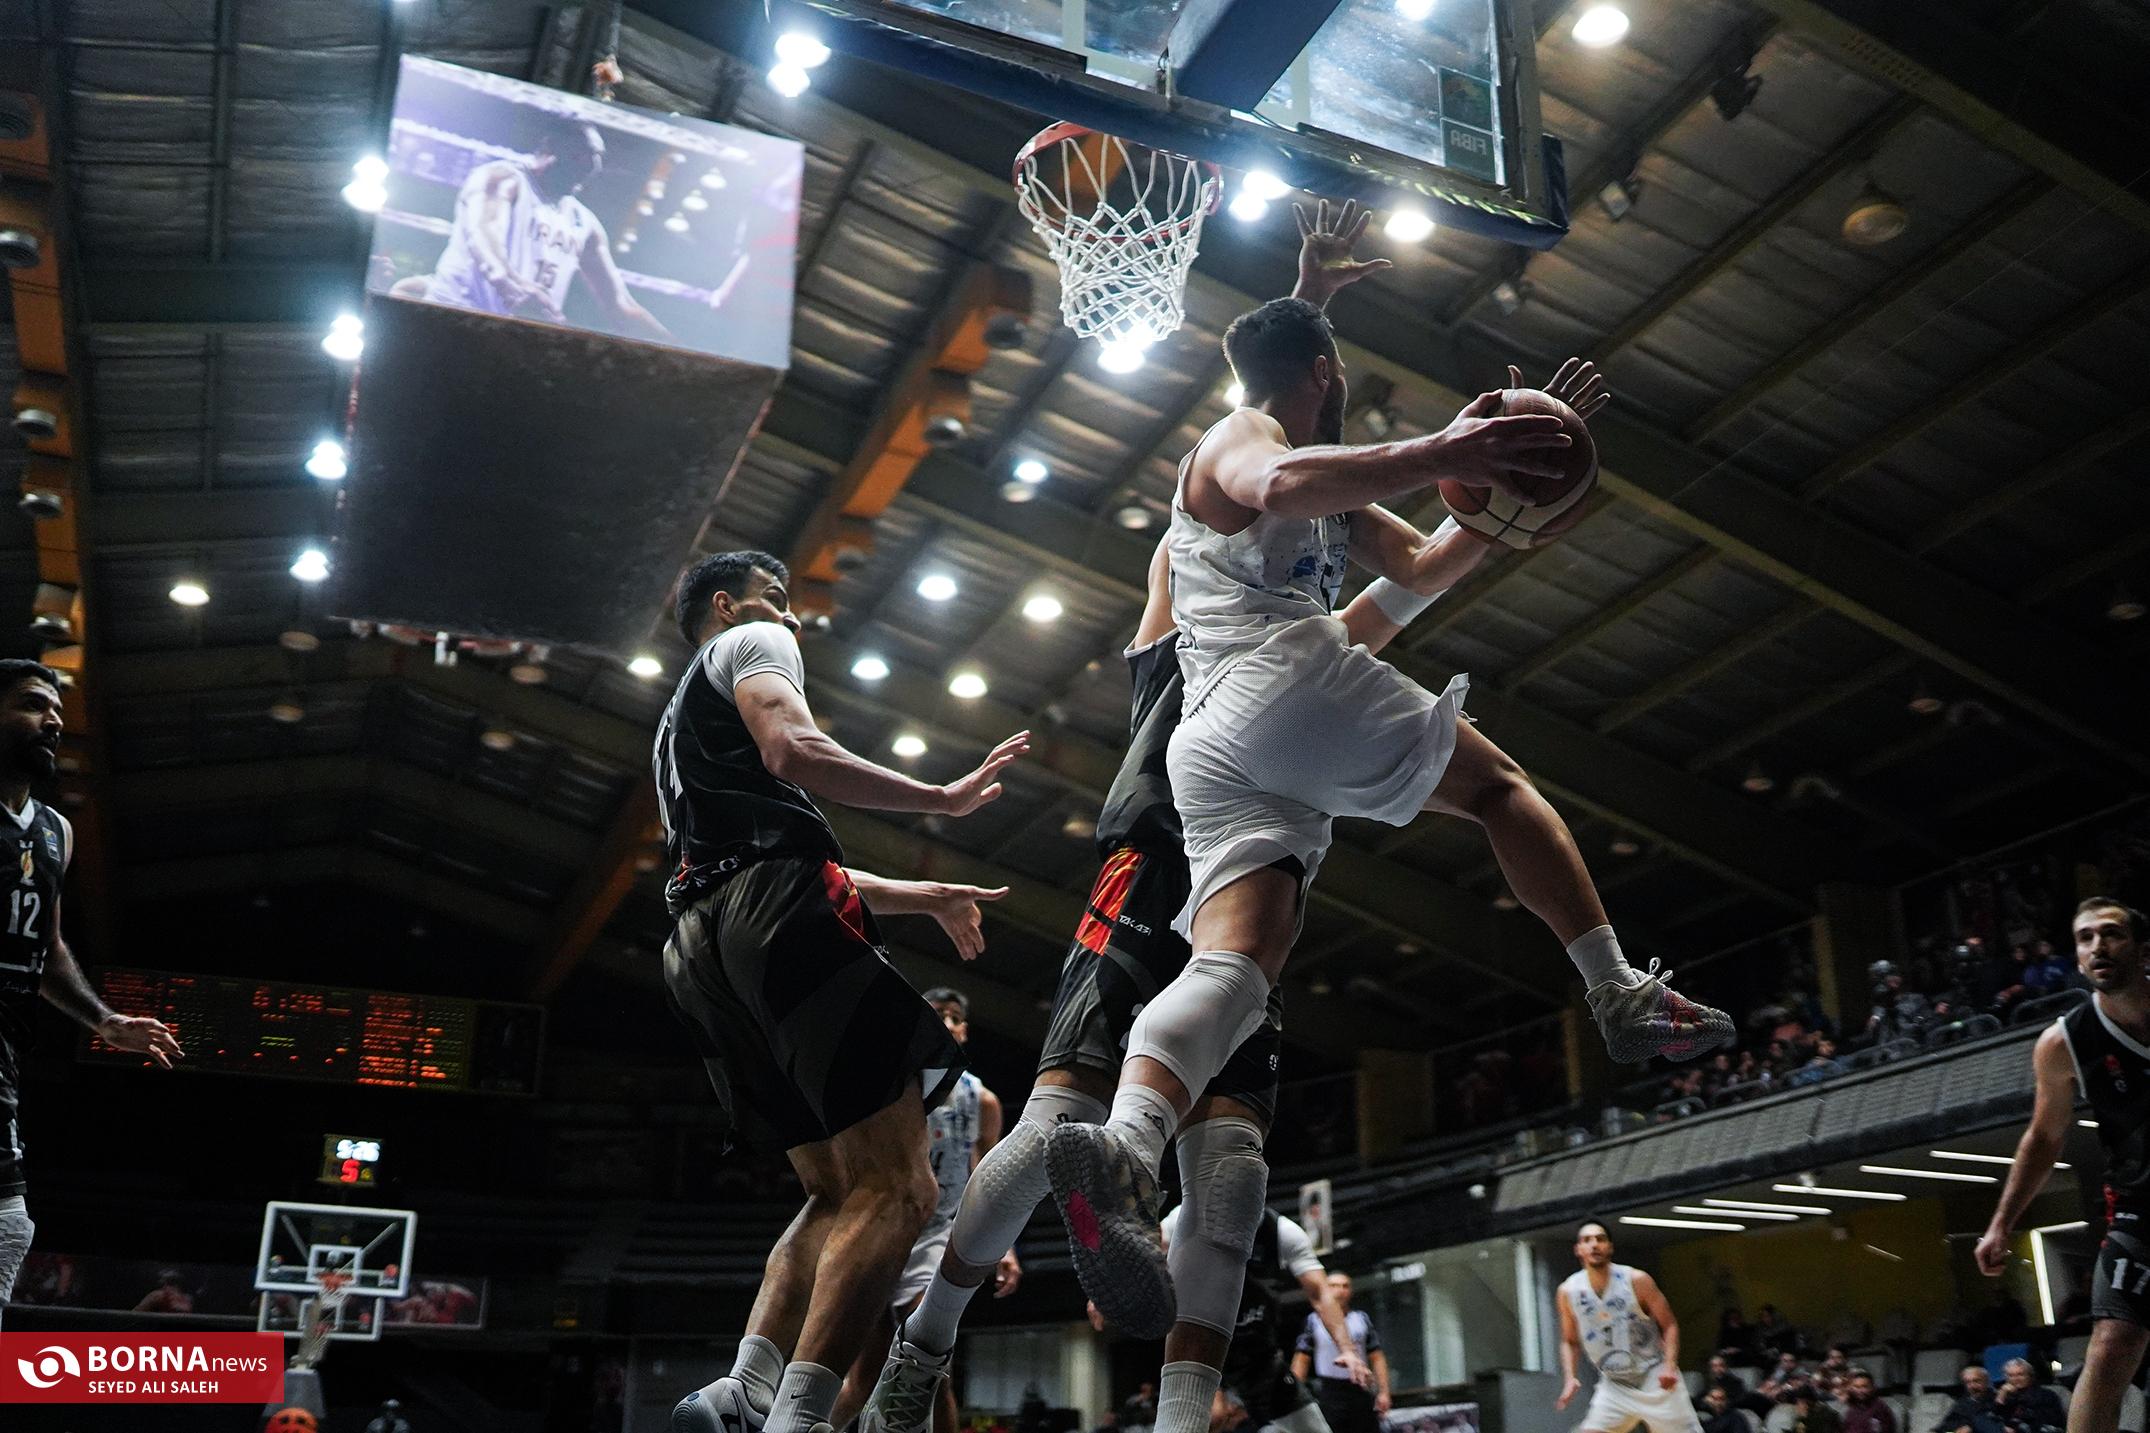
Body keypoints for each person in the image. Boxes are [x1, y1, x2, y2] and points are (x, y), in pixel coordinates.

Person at [858, 203, 1522, 1433]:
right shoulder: (1190, 561)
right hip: (1157, 836)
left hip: (1247, 856)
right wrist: (1302, 318)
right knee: (1057, 1118)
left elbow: (1371, 574)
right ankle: (924, 1340)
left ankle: (1179, 1416)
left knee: (1232, 1169)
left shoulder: (1293, 608)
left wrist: (1491, 511)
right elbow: (1253, 437)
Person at [1047, 199, 1733, 1342]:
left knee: (1239, 961)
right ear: (1323, 374)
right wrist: (1447, 450)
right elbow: (1280, 476)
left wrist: (1514, 496)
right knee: (1501, 790)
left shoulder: (1319, 471)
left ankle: (1123, 1145)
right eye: (1333, 367)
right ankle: (1613, 987)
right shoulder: (1237, 436)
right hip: (1272, 682)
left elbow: (1417, 566)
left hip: (1217, 741)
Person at [657, 553, 1030, 1433]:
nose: (790, 617)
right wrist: (941, 797)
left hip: (697, 949)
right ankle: (802, 1416)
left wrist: (925, 894)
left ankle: (744, 1390)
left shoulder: (677, 725)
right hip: (772, 917)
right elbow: (793, 750)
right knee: (902, 1187)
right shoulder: (750, 643)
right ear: (726, 605)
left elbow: (773, 864)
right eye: (774, 598)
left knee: (833, 1192)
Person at [0, 660, 183, 1327]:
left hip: (4, 1061)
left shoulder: (55, 830)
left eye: (56, 708)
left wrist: (105, 1020)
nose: (52, 719)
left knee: (10, 1225)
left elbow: (46, 946)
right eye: (32, 704)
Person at [1977, 897, 2150, 1433]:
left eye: (2112, 933)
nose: (2099, 946)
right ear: (2076, 957)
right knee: (2111, 1343)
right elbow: (2044, 1138)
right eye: (2086, 937)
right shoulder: (2062, 1042)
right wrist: (2001, 1223)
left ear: (2142, 949)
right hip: (2141, 1209)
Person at [833, 988, 1016, 1433]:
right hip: (884, 1227)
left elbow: (986, 1177)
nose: (946, 1023)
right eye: (936, 1015)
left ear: (964, 1030)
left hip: (935, 1234)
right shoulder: (893, 1084)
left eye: (954, 1017)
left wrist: (1005, 1246)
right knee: (862, 1376)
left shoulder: (982, 1101)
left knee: (931, 1371)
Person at [406, 119, 669, 340]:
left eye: (597, 157)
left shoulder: (585, 223)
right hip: (450, 320)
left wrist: (677, 349)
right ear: (550, 147)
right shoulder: (502, 179)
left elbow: (621, 305)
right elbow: (484, 238)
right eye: (583, 154)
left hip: (508, 340)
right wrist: (513, 287)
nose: (592, 165)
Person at [1556, 1222, 1699, 1433]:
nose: (1594, 1244)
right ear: (1578, 1249)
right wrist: (1570, 1378)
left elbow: (1669, 1325)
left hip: (1654, 1376)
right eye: (1587, 1240)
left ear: (1610, 1247)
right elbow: (1569, 1341)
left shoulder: (1636, 1280)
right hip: (1614, 1383)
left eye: (1600, 1239)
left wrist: (1669, 1366)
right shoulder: (1568, 1291)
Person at [1292, 1271, 1389, 1433]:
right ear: (1326, 1289)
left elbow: (1377, 1356)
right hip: (1330, 1392)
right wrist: (1295, 1397)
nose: (1340, 1290)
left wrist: (1384, 1392)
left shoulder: (1361, 1319)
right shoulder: (1314, 1320)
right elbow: (1302, 1359)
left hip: (1360, 1388)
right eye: (1334, 1286)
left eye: (1345, 1286)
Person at [1991, 1361, 2064, 1433]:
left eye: (2020, 1374)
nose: (2016, 1379)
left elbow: (2052, 1421)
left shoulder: (2046, 1395)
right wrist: (2001, 1396)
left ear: (2030, 1376)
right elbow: (1993, 1418)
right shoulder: (2004, 1395)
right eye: (2011, 1376)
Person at [1935, 1366, 1999, 1433]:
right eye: (1968, 1382)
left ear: (1986, 1381)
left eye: (1976, 1381)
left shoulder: (1998, 1400)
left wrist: (1971, 1427)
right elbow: (1947, 1424)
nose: (1972, 1386)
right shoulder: (1963, 1402)